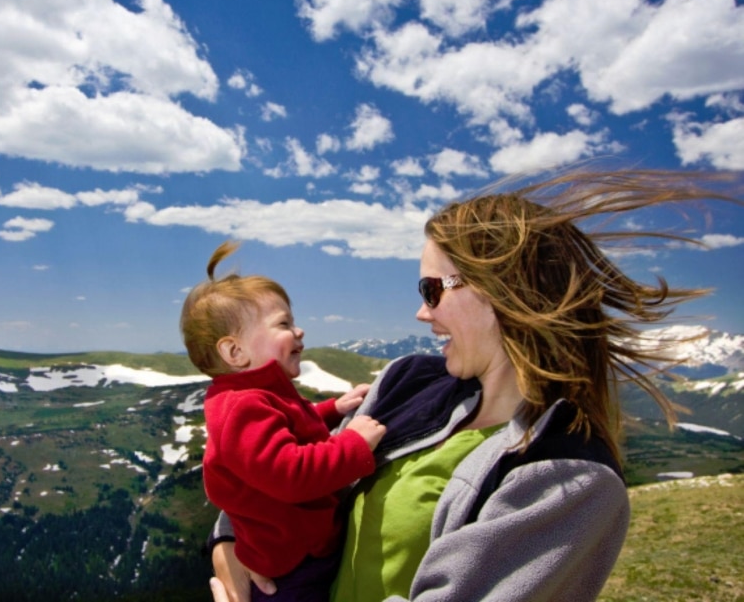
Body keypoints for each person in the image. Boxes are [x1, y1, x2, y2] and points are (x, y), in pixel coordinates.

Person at [207, 169, 741, 602]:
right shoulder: (406, 382)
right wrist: (228, 545)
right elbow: (277, 466)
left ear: (502, 292)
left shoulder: (570, 478)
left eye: (432, 289)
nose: (421, 312)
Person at [181, 240, 387, 601]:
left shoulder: (257, 395)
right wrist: (352, 445)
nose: (299, 330)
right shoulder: (242, 406)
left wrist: (332, 410)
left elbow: (291, 427)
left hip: (296, 554)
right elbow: (290, 474)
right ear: (235, 351)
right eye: (283, 323)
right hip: (293, 570)